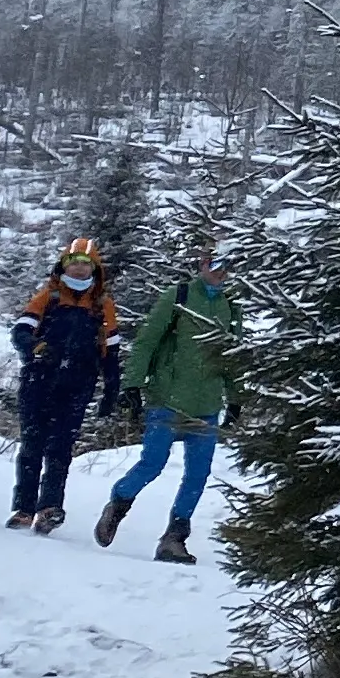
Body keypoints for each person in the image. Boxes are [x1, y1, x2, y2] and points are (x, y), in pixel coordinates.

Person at [94, 216, 238, 563]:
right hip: (168, 397)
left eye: (227, 266)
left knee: (198, 473)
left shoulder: (231, 305)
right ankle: (118, 502)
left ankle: (174, 538)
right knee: (153, 463)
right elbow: (146, 341)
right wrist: (132, 385)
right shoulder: (179, 295)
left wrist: (235, 399)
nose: (221, 272)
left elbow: (235, 356)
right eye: (214, 263)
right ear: (202, 264)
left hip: (206, 403)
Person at [7, 237, 121, 532]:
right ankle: (23, 508)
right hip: (38, 381)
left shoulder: (101, 306)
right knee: (32, 445)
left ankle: (50, 508)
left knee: (60, 448)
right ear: (64, 267)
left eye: (86, 265)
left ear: (94, 269)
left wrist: (111, 389)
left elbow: (111, 351)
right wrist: (37, 348)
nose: (80, 270)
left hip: (77, 385)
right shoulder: (49, 297)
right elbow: (20, 331)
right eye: (74, 264)